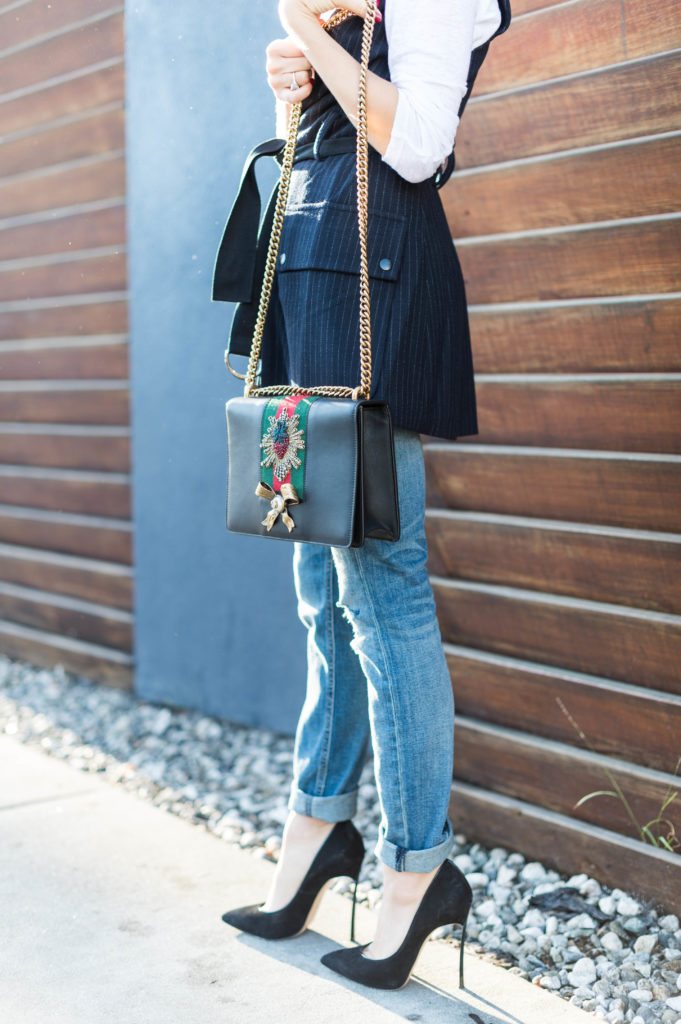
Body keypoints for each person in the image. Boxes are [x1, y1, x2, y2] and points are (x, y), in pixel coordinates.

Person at [216, 0, 511, 991]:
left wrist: (301, 21)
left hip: (371, 304)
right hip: (317, 291)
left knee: (384, 594)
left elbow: (421, 145)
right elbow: (352, 113)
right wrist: (301, 59)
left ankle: (416, 869)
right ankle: (317, 826)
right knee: (319, 586)